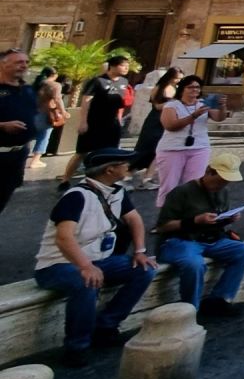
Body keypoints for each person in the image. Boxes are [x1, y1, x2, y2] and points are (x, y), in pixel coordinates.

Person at [33, 148, 158, 365]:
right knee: (85, 282)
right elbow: (64, 238)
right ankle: (77, 347)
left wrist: (140, 252)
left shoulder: (117, 192)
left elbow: (135, 219)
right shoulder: (76, 197)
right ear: (110, 169)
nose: (128, 167)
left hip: (99, 260)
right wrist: (85, 266)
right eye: (124, 164)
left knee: (144, 270)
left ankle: (106, 326)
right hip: (57, 264)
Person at [155, 151, 244, 318]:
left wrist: (227, 219)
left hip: (211, 239)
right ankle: (190, 310)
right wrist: (194, 221)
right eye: (220, 182)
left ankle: (220, 299)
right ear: (209, 172)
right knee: (194, 264)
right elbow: (162, 227)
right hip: (182, 240)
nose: (222, 186)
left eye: (226, 182)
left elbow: (216, 220)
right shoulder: (182, 192)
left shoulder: (222, 192)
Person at [155, 76, 230, 205]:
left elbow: (219, 118)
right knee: (169, 185)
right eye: (190, 87)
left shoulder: (203, 104)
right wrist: (194, 115)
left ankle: (189, 215)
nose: (194, 90)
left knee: (194, 185)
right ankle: (165, 218)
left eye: (197, 87)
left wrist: (222, 106)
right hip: (172, 148)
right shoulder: (172, 105)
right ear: (182, 89)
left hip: (199, 148)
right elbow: (170, 125)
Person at [64, 55, 132, 184]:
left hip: (112, 123)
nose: (126, 68)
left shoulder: (124, 82)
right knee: (82, 152)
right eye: (123, 65)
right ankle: (66, 179)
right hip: (94, 122)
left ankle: (106, 180)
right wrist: (83, 121)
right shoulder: (97, 81)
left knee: (111, 152)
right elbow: (86, 101)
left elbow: (120, 104)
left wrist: (118, 121)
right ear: (112, 66)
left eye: (127, 66)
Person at [0, 48, 40, 214]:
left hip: (18, 155)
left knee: (3, 197)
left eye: (26, 62)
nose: (24, 66)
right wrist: (2, 125)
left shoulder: (28, 89)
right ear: (3, 64)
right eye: (19, 62)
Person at [30, 64, 66, 172]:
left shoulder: (37, 83)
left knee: (29, 134)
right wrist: (63, 112)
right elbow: (58, 99)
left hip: (32, 112)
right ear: (54, 74)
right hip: (46, 113)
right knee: (44, 136)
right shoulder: (55, 85)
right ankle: (35, 160)